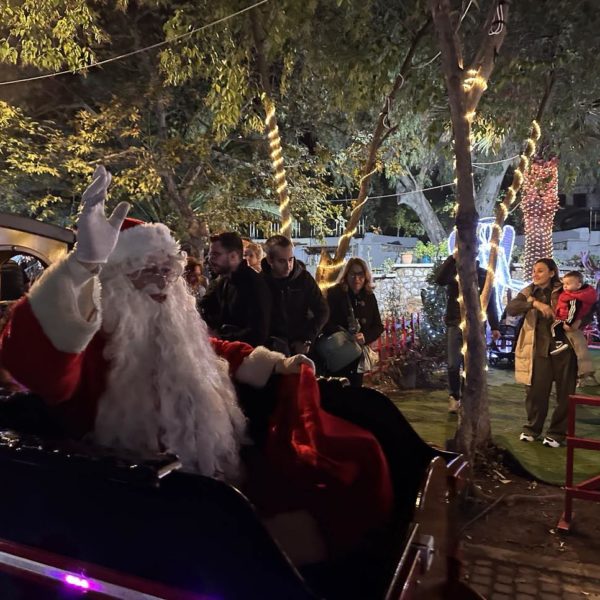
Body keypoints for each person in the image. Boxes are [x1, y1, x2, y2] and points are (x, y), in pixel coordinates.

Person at [0, 166, 393, 558]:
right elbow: (32, 362)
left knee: (352, 458)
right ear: (116, 278)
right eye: (145, 272)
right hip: (139, 504)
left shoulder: (170, 322)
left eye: (167, 271)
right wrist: (81, 266)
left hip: (213, 482)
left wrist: (272, 363)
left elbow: (208, 349)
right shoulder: (87, 338)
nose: (161, 283)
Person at [506, 258, 579, 448]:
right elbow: (512, 309)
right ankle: (532, 429)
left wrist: (579, 323)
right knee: (535, 392)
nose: (535, 274)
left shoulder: (565, 289)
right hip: (538, 348)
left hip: (564, 348)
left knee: (565, 393)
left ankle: (557, 433)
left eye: (540, 271)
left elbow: (586, 304)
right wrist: (536, 304)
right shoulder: (529, 291)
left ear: (552, 273)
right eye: (534, 270)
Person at [435, 255, 501, 413]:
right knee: (453, 364)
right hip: (455, 322)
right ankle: (454, 396)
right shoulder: (454, 272)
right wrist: (452, 259)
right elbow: (440, 279)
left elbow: (490, 301)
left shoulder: (484, 274)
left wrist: (495, 326)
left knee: (470, 364)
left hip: (476, 325)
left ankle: (468, 398)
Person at [261, 235, 329, 356]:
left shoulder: (304, 279)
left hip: (300, 346)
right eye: (282, 261)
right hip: (270, 349)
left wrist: (307, 339)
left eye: (290, 259)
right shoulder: (261, 282)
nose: (288, 266)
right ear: (270, 260)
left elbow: (323, 311)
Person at [200, 232, 272, 347]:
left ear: (233, 256)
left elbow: (258, 333)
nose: (210, 260)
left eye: (216, 255)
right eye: (210, 255)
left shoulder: (254, 284)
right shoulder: (223, 281)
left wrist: (221, 338)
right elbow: (205, 307)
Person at [322, 258, 383, 387]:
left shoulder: (369, 297)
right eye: (352, 274)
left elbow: (378, 326)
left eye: (360, 274)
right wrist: (342, 334)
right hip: (338, 353)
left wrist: (365, 337)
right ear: (346, 275)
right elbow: (325, 321)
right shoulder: (335, 294)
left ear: (365, 276)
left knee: (355, 394)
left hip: (357, 357)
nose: (356, 278)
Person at [550, 270, 597, 357]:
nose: (565, 286)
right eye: (564, 284)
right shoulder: (572, 295)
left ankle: (559, 343)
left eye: (567, 284)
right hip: (566, 319)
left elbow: (573, 311)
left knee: (555, 327)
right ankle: (559, 343)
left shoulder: (574, 297)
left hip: (567, 320)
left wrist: (569, 322)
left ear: (578, 285)